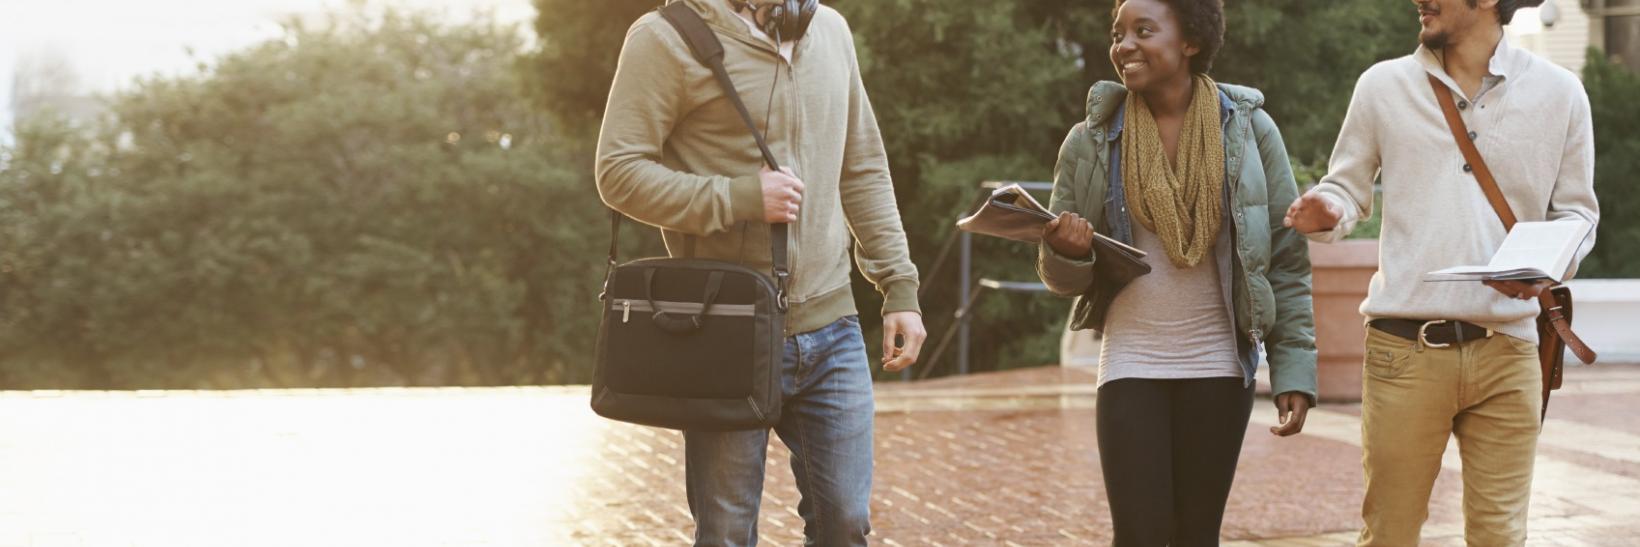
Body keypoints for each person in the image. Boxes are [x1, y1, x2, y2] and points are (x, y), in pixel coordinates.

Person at [594, 0, 927, 544]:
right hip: (724, 327)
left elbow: (862, 167)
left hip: (832, 324)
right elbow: (619, 171)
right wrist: (740, 197)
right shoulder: (664, 39)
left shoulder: (831, 31)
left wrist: (900, 287)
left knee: (845, 522)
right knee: (726, 530)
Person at [1283, 0, 1599, 544]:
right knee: (1390, 532)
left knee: (1500, 535)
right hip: (1404, 351)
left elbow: (1577, 213)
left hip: (1510, 349)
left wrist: (1546, 268)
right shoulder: (1383, 86)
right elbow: (1345, 186)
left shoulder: (1561, 92)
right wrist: (1327, 209)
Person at [1036, 0, 1318, 544]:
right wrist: (1068, 252)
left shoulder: (1249, 130)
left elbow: (1283, 260)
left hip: (1217, 364)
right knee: (1139, 534)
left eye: (1144, 31)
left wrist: (1294, 371)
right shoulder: (1091, 140)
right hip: (1130, 360)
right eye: (1119, 34)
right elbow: (1061, 281)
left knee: (1196, 535)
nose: (1125, 45)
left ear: (1190, 41)